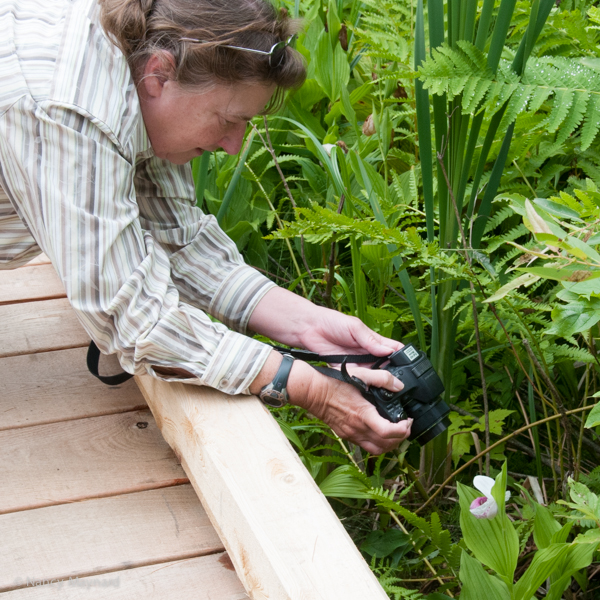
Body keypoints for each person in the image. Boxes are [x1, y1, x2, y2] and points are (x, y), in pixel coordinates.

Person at [0, 0, 412, 454]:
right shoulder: (66, 109)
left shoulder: (137, 72)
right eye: (229, 120)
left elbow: (181, 242)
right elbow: (132, 317)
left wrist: (309, 327)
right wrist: (311, 390)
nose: (234, 147)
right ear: (159, 73)